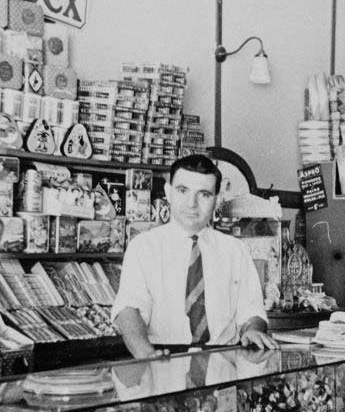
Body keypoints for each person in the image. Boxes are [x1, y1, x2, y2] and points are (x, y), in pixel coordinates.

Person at [111, 154, 278, 359]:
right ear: (168, 192)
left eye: (204, 194)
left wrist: (252, 329)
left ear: (217, 200)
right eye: (183, 191)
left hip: (223, 359)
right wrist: (145, 354)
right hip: (164, 359)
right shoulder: (144, 247)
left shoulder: (235, 250)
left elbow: (252, 310)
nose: (192, 203)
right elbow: (128, 310)